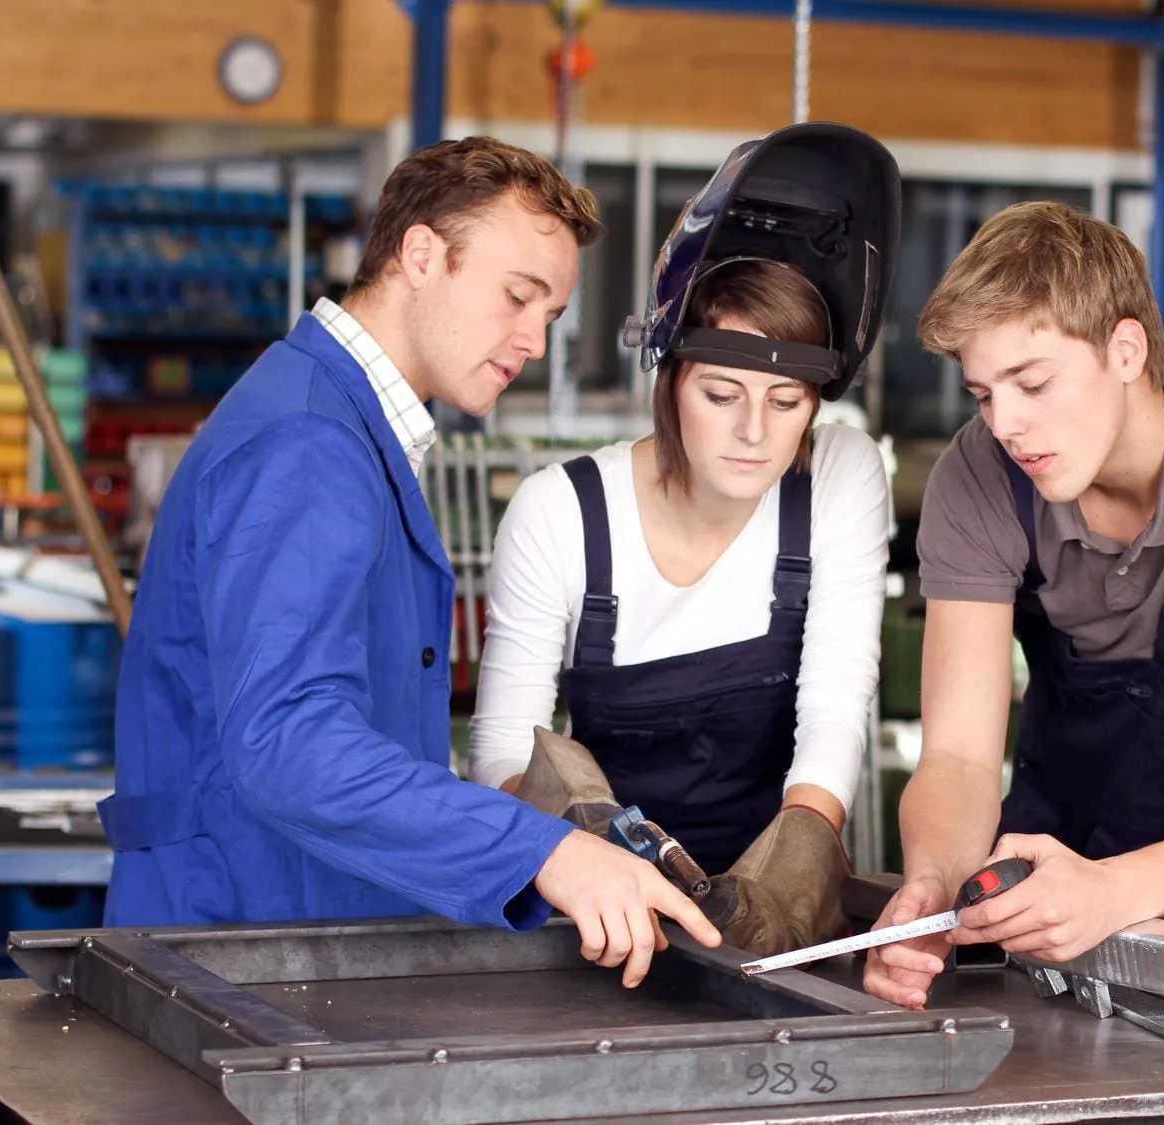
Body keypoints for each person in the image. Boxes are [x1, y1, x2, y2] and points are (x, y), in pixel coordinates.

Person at [97, 136, 720, 987]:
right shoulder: (307, 443)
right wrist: (544, 852)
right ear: (420, 255)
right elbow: (289, 741)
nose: (534, 341)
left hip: (274, 935)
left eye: (550, 316)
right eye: (517, 296)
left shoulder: (342, 423)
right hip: (237, 946)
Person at [864, 201, 1164, 1008]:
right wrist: (932, 883)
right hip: (1038, 896)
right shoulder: (979, 475)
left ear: (1126, 350)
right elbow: (958, 757)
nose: (1006, 425)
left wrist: (1111, 891)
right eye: (983, 393)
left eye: (1033, 383)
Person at [468, 122, 901, 956]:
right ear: (667, 379)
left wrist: (794, 872)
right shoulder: (561, 513)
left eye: (786, 402)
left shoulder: (840, 475)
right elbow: (502, 753)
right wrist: (588, 857)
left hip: (770, 916)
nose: (754, 432)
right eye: (721, 394)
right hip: (593, 916)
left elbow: (836, 700)